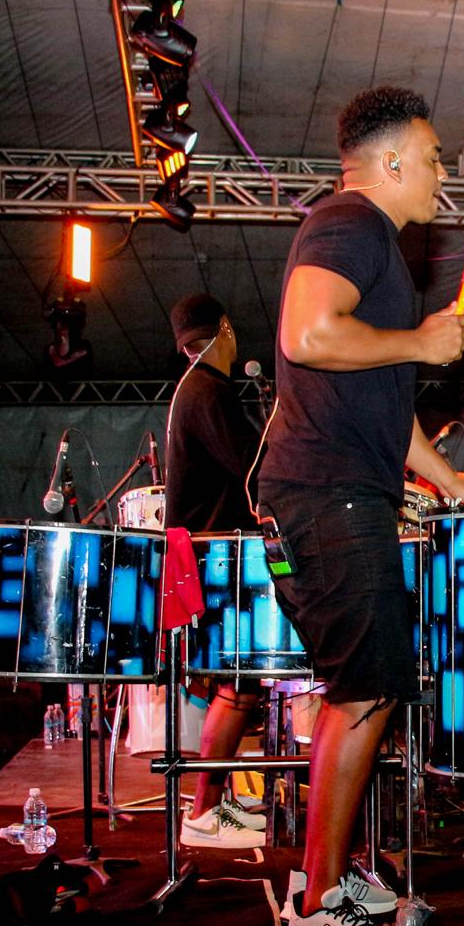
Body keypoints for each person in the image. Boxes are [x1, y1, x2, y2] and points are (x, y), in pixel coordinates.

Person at [263, 85, 464, 926]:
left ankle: (327, 878)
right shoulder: (351, 223)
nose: (442, 175)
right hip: (326, 490)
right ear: (393, 159)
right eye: (435, 159)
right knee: (363, 691)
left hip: (341, 486)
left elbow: (379, 402)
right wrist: (419, 343)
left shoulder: (372, 245)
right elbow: (307, 336)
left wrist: (451, 481)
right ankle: (317, 909)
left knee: (369, 687)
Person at [164, 293, 267, 849]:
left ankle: (212, 800)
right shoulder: (210, 391)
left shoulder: (194, 389)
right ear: (226, 328)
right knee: (238, 684)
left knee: (238, 684)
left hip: (210, 556)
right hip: (219, 558)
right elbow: (255, 469)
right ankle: (204, 811)